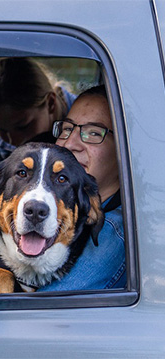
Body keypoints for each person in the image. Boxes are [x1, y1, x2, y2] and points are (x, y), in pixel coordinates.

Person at [39, 85, 126, 291]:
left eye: (93, 133)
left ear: (123, 149)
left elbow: (43, 312)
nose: (69, 144)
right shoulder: (58, 210)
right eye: (67, 129)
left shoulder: (112, 231)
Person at [0, 57, 76, 162]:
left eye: (23, 127)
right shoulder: (4, 135)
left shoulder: (88, 124)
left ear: (50, 103)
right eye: (2, 130)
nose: (13, 141)